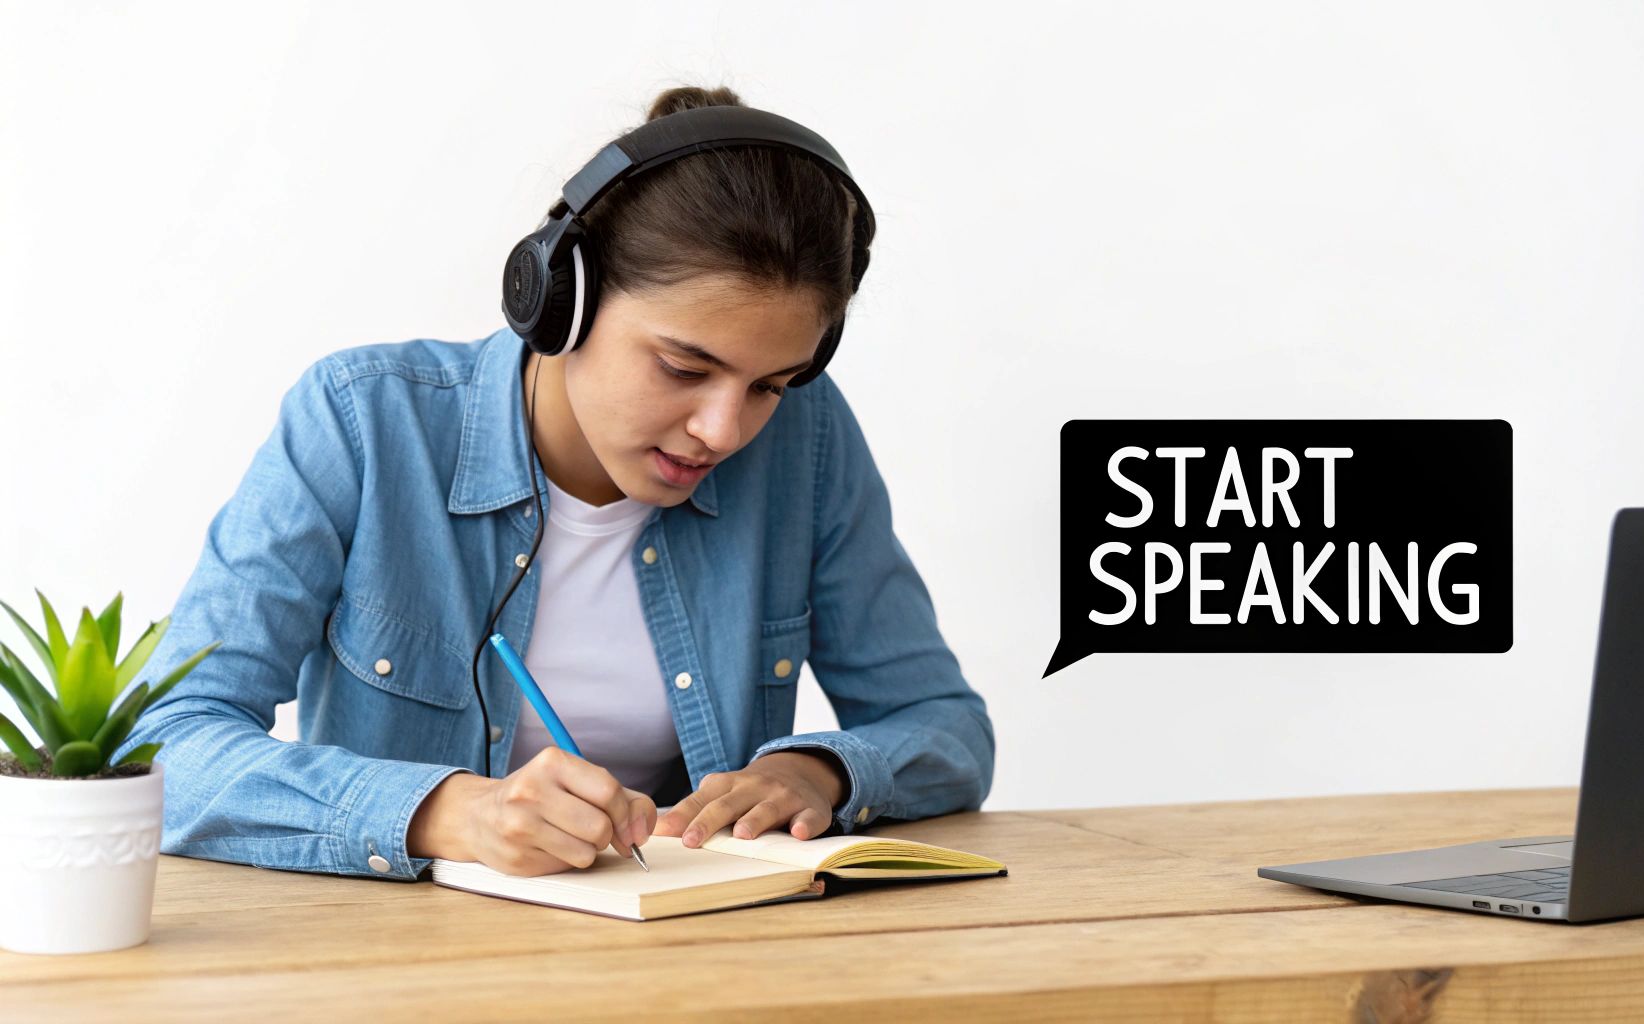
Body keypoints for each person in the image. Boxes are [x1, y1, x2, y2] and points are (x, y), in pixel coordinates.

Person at [120, 85, 995, 881]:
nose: (724, 430)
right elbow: (164, 744)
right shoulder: (361, 422)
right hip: (396, 969)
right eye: (685, 367)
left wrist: (817, 771)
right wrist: (445, 813)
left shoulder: (805, 438)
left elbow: (945, 726)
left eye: (770, 384)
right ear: (560, 302)